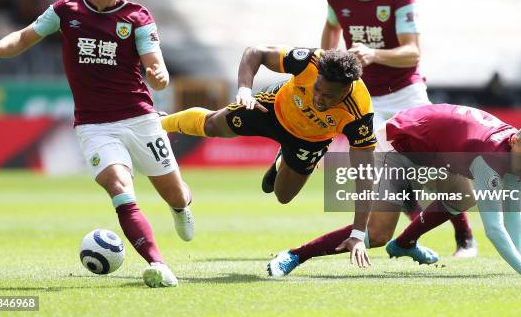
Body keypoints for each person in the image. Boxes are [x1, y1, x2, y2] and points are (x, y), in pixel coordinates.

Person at [0, 0, 193, 288]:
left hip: (139, 119)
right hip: (94, 126)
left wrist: (158, 74)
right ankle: (158, 263)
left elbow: (154, 59)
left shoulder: (137, 16)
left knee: (176, 194)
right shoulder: (66, 10)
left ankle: (181, 208)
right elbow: (25, 36)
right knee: (119, 187)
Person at [320, 0, 475, 257]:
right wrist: (328, 69)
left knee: (437, 167)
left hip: (407, 92)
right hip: (366, 97)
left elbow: (412, 53)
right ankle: (412, 233)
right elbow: (331, 31)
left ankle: (465, 237)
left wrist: (375, 54)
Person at [268, 104, 521, 277]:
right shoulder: (492, 158)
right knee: (378, 235)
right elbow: (494, 228)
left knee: (463, 196)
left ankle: (404, 244)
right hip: (397, 144)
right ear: (516, 140)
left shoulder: (516, 154)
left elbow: (513, 212)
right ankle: (296, 254)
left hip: (429, 149)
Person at [161, 46, 376, 252]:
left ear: (346, 90)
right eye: (316, 89)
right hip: (272, 108)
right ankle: (158, 124)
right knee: (213, 124)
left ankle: (282, 158)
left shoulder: (359, 114)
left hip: (310, 141)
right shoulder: (309, 61)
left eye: (328, 96)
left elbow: (364, 175)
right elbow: (256, 53)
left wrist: (357, 233)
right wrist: (245, 90)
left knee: (283, 196)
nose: (318, 98)